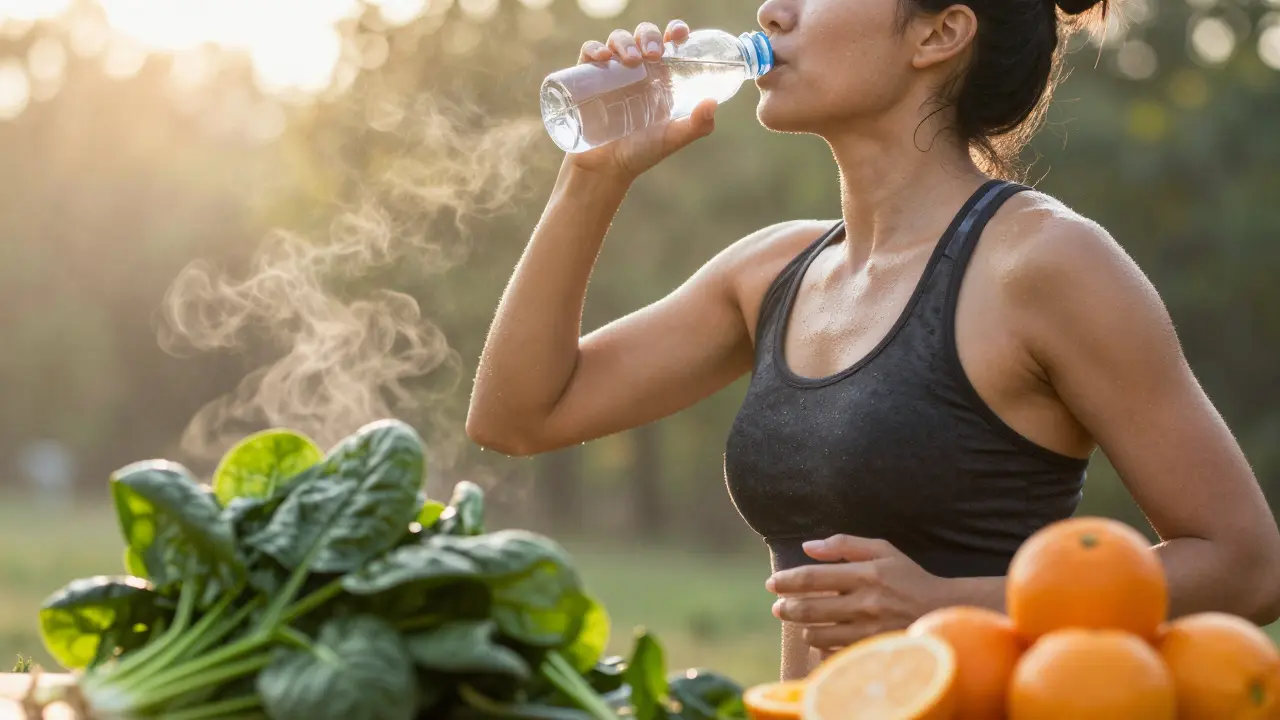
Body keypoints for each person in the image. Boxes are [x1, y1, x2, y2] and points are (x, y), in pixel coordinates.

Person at [466, 0, 1280, 682]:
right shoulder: (772, 270)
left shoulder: (1044, 263)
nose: (771, 11)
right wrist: (594, 176)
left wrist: (949, 604)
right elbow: (517, 416)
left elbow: (1245, 562)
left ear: (937, 34)